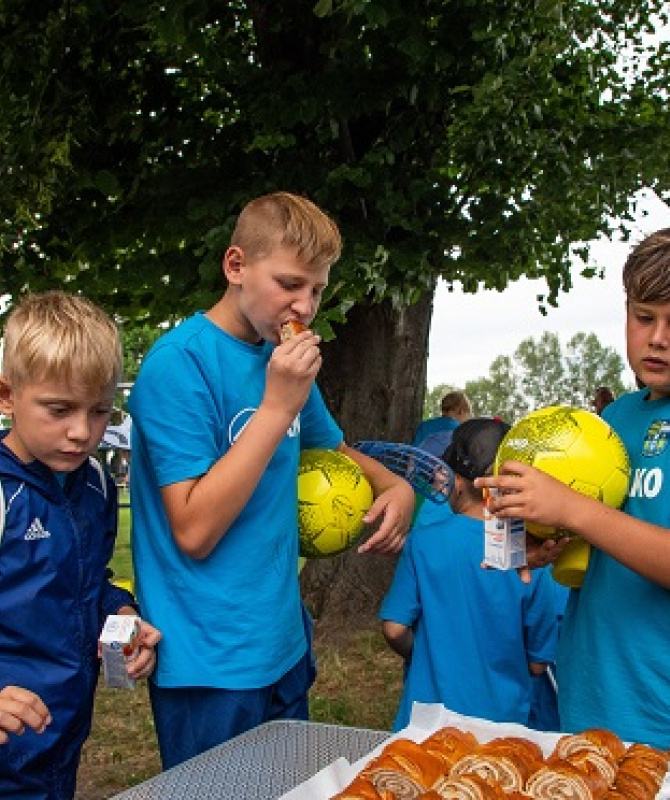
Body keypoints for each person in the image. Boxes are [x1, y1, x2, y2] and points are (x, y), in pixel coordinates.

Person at [129, 192, 415, 769]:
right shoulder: (178, 364)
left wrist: (396, 486)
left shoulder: (281, 360)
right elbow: (193, 529)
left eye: (317, 289)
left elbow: (334, 452)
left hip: (283, 644)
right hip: (209, 660)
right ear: (236, 267)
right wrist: (277, 405)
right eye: (289, 283)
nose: (305, 305)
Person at [477, 221, 670, 748]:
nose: (657, 338)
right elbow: (606, 537)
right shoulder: (615, 418)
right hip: (597, 702)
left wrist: (574, 510)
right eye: (643, 317)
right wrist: (543, 540)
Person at [0, 290, 161, 798]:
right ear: (7, 396)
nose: (81, 432)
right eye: (59, 409)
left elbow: (90, 581)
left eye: (99, 412)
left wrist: (123, 612)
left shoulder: (92, 481)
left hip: (60, 739)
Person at [380, 418, 565, 731]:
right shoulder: (532, 559)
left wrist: (425, 654)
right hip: (501, 731)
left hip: (426, 727)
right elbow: (537, 662)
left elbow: (395, 629)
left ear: (459, 482)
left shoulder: (423, 542)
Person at [412, 390, 472, 456]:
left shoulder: (424, 425)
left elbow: (412, 451)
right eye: (468, 414)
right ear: (461, 411)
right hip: (439, 465)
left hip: (415, 464)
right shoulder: (459, 430)